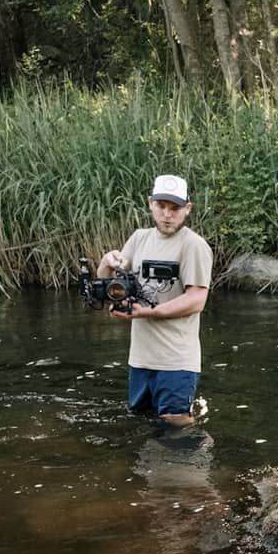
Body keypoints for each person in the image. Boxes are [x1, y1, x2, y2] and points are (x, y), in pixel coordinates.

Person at [97, 175, 214, 427]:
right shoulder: (139, 238)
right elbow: (110, 285)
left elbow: (197, 299)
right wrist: (106, 263)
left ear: (188, 209)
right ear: (150, 204)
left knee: (176, 427)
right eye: (161, 206)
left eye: (175, 208)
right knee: (142, 425)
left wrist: (149, 312)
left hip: (176, 361)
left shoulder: (194, 246)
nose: (167, 214)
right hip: (140, 360)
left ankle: (199, 463)